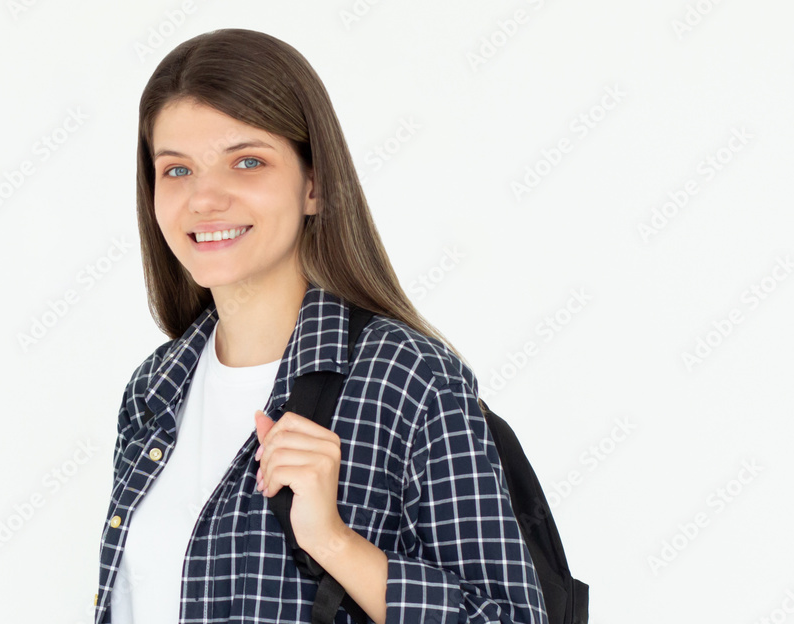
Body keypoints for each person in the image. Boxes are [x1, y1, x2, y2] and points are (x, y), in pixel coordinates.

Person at [93, 27, 547, 624]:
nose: (204, 199)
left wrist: (332, 541)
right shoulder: (153, 389)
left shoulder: (407, 380)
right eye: (177, 170)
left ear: (314, 185)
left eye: (247, 162)